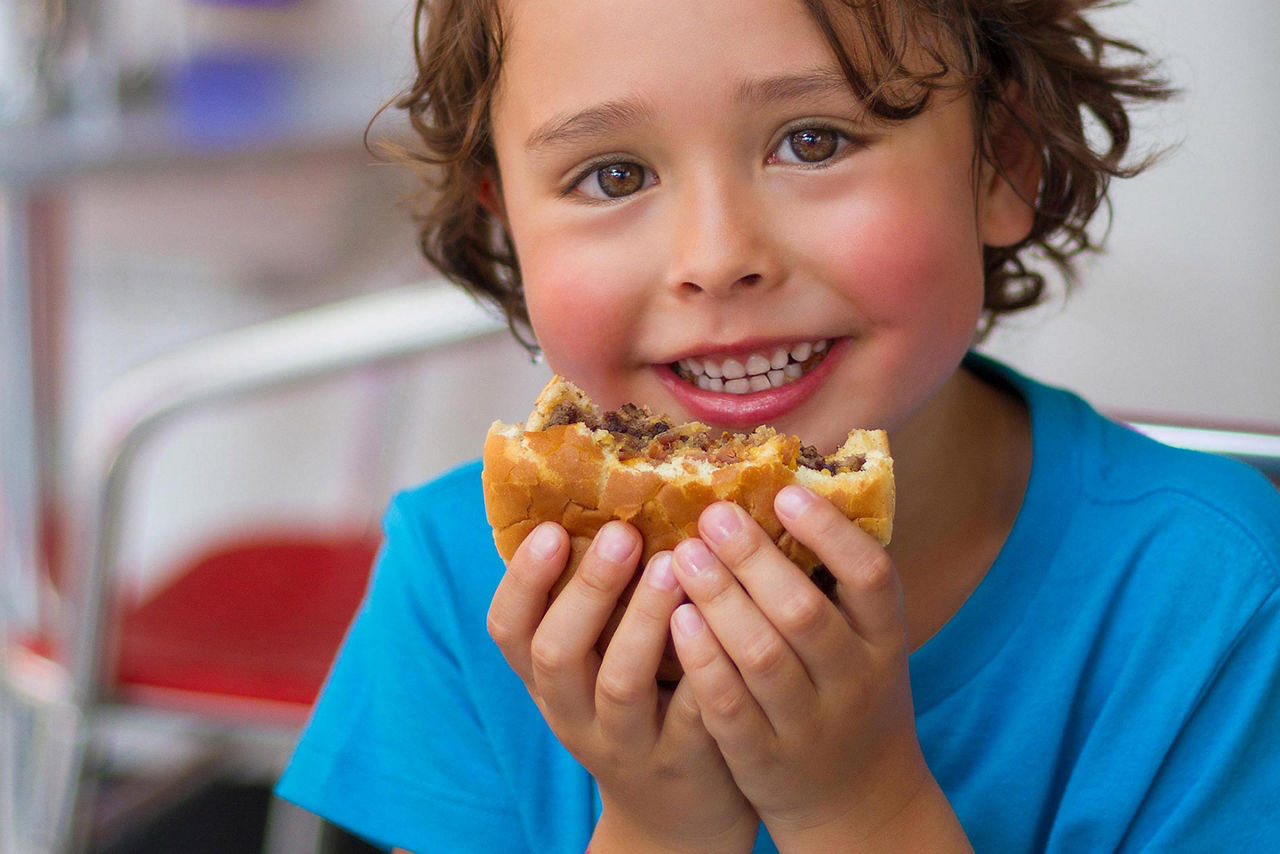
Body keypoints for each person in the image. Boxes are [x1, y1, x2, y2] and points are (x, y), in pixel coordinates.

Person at [276, 0, 1280, 851]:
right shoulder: (457, 581)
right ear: (506, 219)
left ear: (999, 163)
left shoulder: (1215, 592)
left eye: (813, 141)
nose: (716, 257)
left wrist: (857, 804)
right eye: (612, 176)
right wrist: (654, 825)